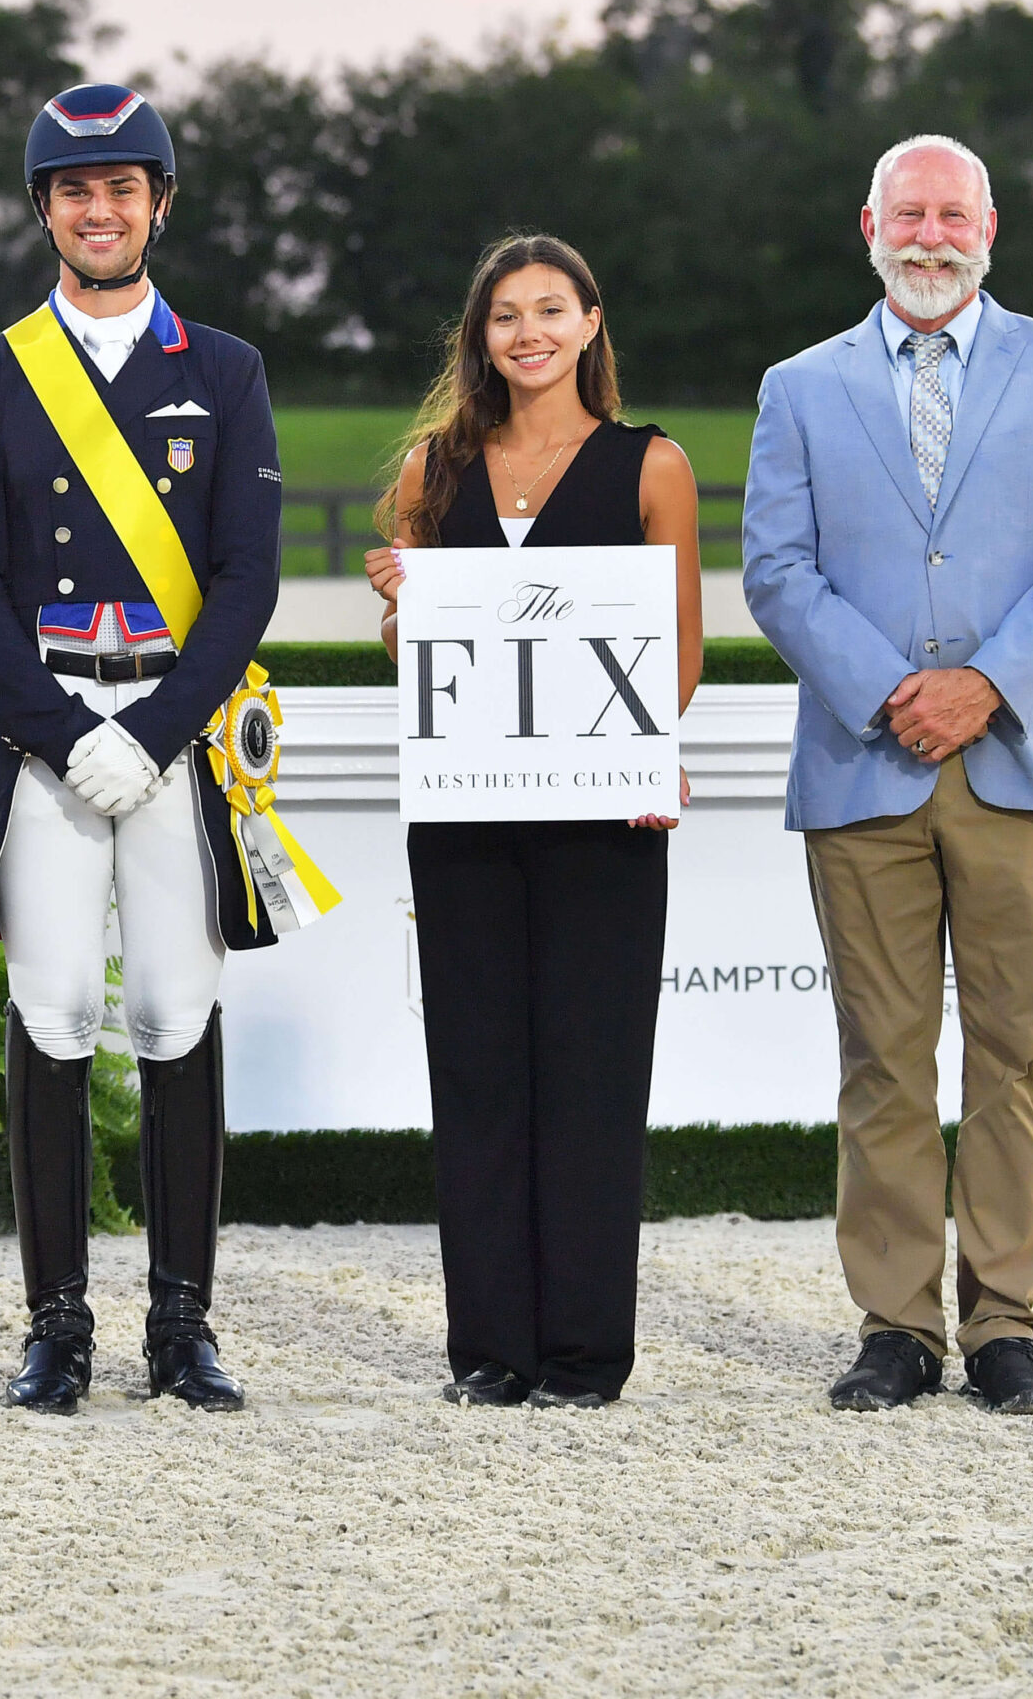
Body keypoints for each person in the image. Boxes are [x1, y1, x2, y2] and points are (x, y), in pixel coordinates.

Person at [743, 135, 1033, 1417]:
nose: (928, 236)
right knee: (881, 1058)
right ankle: (897, 1326)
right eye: (906, 213)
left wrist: (985, 684)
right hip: (865, 763)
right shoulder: (799, 386)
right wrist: (888, 691)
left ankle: (1005, 1323)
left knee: (1018, 1057)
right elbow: (776, 570)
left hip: (1023, 754)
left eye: (950, 215)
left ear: (988, 228)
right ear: (868, 226)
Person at [0, 83, 283, 1413]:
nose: (99, 211)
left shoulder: (225, 371)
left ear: (159, 205)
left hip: (171, 736)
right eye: (75, 191)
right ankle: (57, 1322)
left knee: (175, 1008)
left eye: (121, 188)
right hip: (49, 738)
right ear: (45, 209)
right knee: (56, 1006)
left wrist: (154, 730)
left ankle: (182, 1323)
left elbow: (244, 579)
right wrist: (64, 731)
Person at [363, 234, 701, 1408]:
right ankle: (491, 1348)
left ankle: (585, 1353)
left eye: (550, 309)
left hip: (604, 814)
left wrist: (644, 747)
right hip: (465, 813)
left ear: (590, 322)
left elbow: (680, 652)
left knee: (593, 1073)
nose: (528, 333)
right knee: (477, 1072)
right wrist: (400, 605)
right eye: (506, 315)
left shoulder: (651, 465)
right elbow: (413, 656)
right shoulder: (432, 469)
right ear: (481, 336)